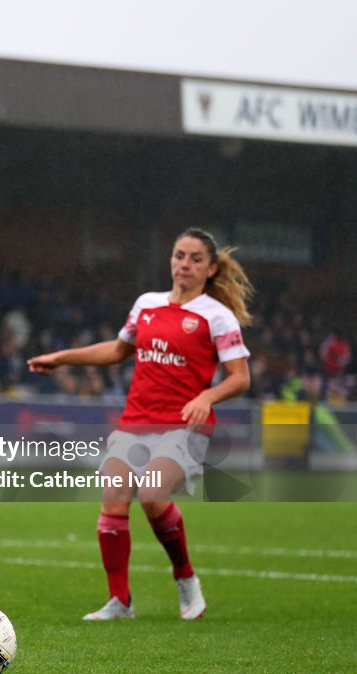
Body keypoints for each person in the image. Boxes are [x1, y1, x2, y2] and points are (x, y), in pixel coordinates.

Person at [28, 228, 252, 621]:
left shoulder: (217, 316)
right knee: (112, 503)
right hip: (136, 421)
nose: (185, 264)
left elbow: (240, 377)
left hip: (184, 424)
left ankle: (186, 580)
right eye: (179, 255)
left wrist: (206, 396)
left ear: (211, 268)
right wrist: (62, 357)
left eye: (195, 259)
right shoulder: (147, 304)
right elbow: (117, 350)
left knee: (151, 495)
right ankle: (120, 602)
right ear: (170, 259)